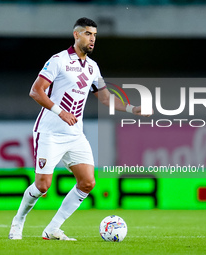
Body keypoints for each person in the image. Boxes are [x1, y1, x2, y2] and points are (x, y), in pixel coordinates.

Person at [9, 17, 151, 241]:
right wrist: (61, 112)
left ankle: (52, 229)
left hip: (74, 135)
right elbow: (36, 91)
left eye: (94, 35)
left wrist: (132, 109)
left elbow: (105, 98)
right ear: (76, 35)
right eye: (87, 34)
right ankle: (18, 222)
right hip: (50, 132)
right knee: (42, 186)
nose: (92, 38)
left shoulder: (93, 68)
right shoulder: (58, 60)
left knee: (87, 182)